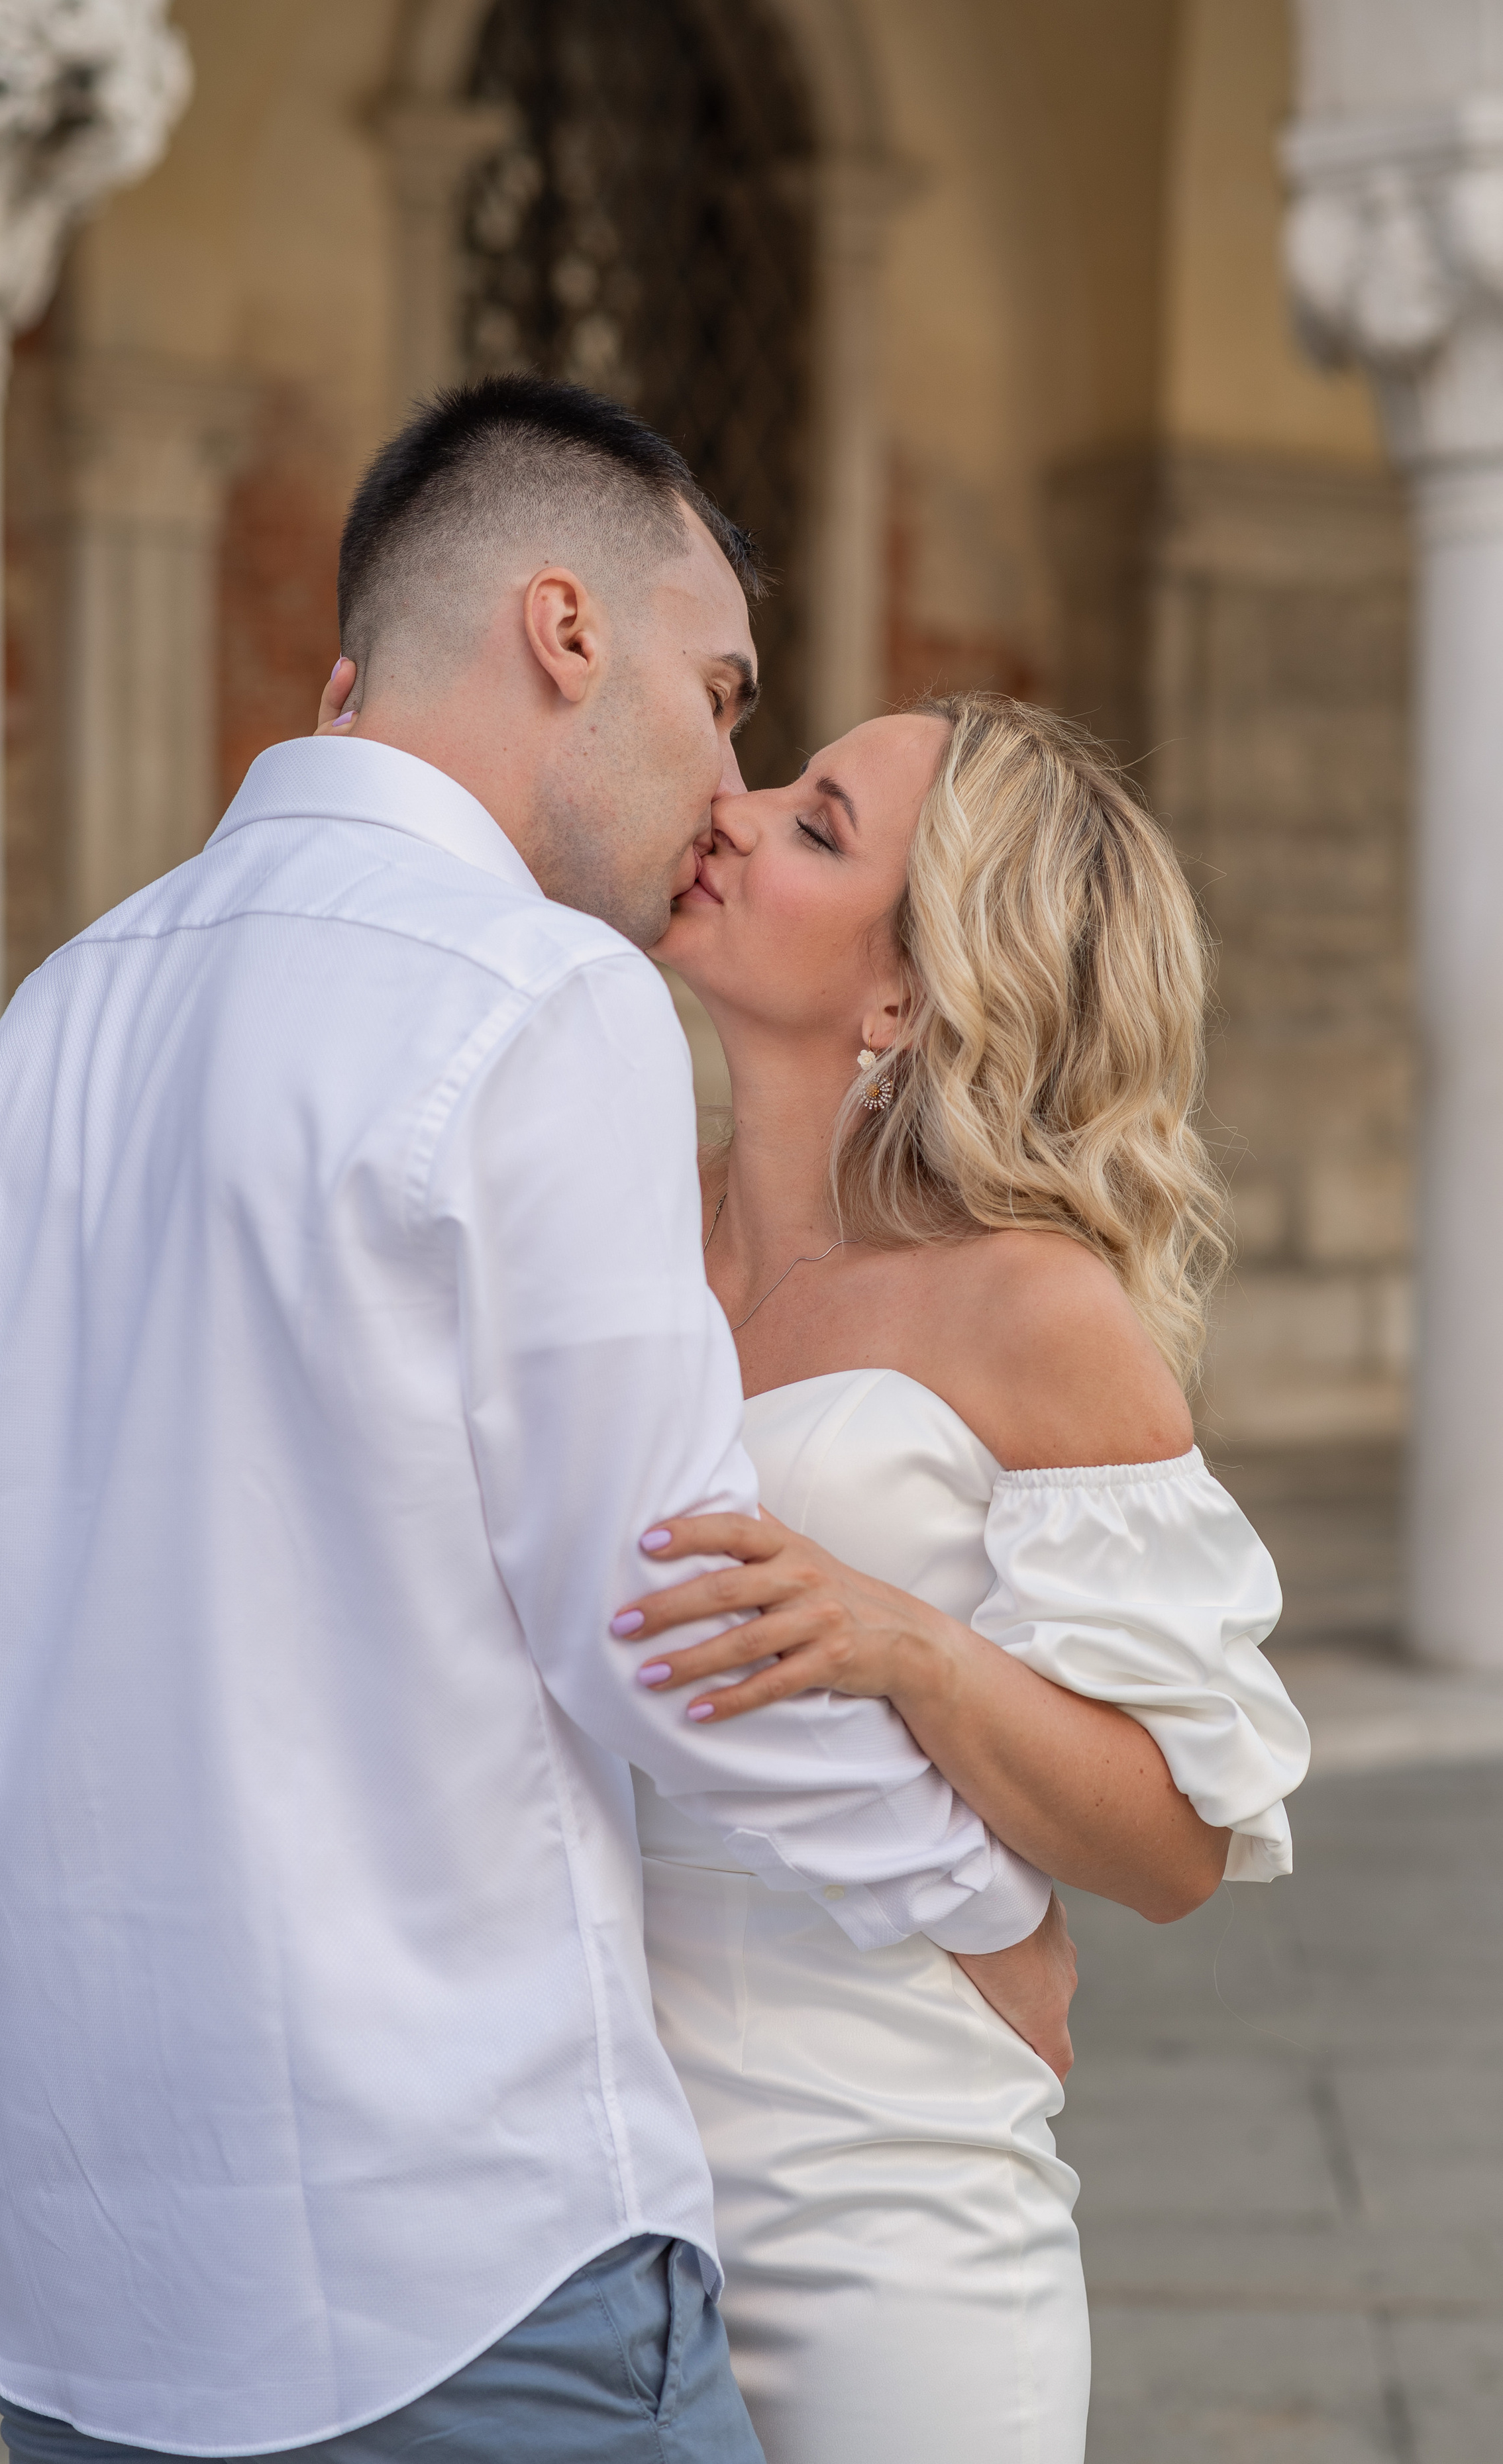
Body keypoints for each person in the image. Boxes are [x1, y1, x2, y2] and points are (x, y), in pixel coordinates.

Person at [0, 378, 1075, 2464]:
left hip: (86, 2305)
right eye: (720, 693)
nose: (727, 784)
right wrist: (982, 1897)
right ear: (565, 630)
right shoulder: (536, 997)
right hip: (457, 2272)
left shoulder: (44, 1026)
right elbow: (673, 1621)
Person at [598, 693, 1313, 2463]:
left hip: (887, 2204)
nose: (733, 807)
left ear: (906, 995)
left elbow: (1176, 1846)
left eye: (817, 824)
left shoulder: (1027, 1305)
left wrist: (903, 1644)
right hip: (579, 2184)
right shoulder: (607, 1222)